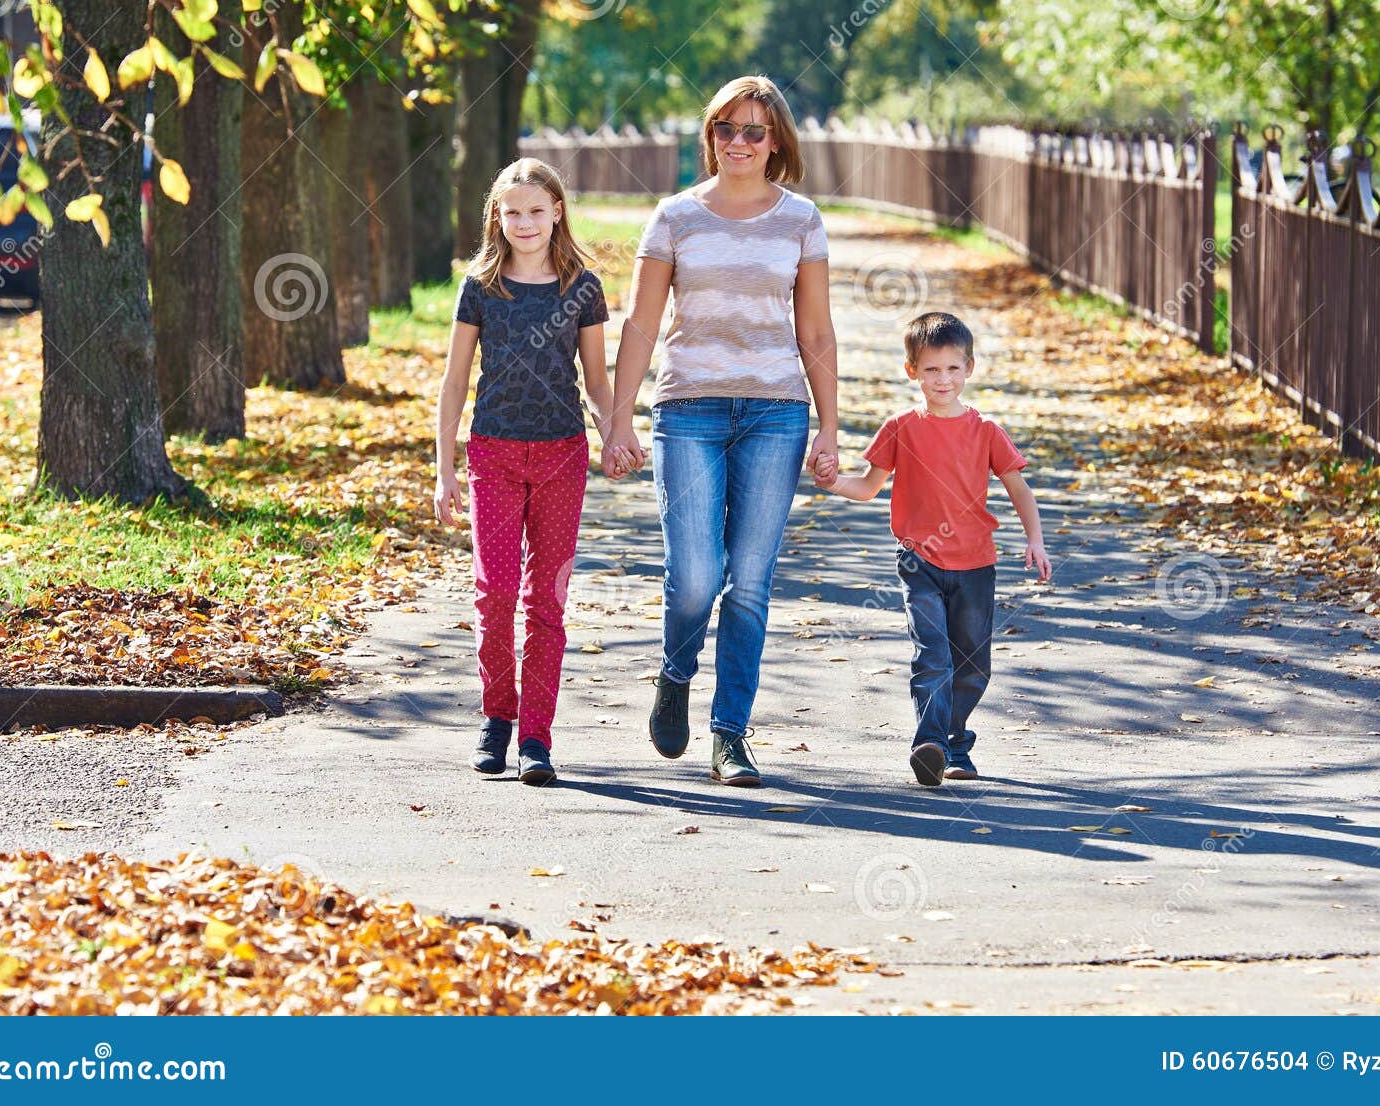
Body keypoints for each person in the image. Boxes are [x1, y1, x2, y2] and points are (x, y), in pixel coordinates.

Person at [601, 76, 840, 787]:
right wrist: (619, 416)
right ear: (710, 136)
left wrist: (830, 426)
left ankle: (730, 735)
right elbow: (642, 322)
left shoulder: (801, 220)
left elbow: (817, 331)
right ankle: (675, 673)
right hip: (689, 412)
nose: (738, 142)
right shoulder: (675, 216)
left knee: (750, 586)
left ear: (777, 143)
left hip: (776, 413)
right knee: (697, 578)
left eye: (754, 132)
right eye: (726, 129)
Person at [433, 158, 625, 786]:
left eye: (536, 210)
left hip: (562, 455)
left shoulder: (582, 288)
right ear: (497, 215)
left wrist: (614, 429)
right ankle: (496, 719)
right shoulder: (481, 287)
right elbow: (456, 380)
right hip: (493, 452)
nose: (525, 222)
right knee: (495, 595)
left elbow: (596, 380)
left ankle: (537, 736)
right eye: (512, 211)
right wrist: (445, 469)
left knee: (547, 600)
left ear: (557, 212)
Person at [815, 312, 1052, 786]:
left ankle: (955, 742)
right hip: (918, 561)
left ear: (969, 369)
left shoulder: (985, 430)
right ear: (912, 371)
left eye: (952, 369)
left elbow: (1018, 487)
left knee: (972, 665)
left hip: (976, 565)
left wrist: (1035, 539)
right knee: (933, 656)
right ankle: (930, 745)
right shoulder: (901, 427)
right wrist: (830, 481)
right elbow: (868, 488)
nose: (942, 379)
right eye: (930, 370)